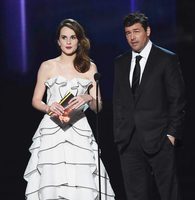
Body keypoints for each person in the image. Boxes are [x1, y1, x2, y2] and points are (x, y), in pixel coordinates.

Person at [24, 18, 115, 200]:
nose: (68, 42)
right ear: (58, 41)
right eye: (64, 37)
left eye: (72, 37)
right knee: (52, 183)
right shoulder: (47, 66)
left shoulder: (90, 67)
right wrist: (49, 107)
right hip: (52, 132)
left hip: (79, 131)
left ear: (79, 40)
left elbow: (98, 108)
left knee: (82, 184)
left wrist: (88, 97)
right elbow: (35, 100)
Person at [113, 12, 186, 200]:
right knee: (136, 195)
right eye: (128, 33)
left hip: (160, 138)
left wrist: (171, 135)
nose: (132, 37)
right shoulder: (120, 63)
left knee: (168, 193)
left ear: (148, 31)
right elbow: (119, 102)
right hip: (128, 141)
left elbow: (177, 100)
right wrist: (120, 134)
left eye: (136, 31)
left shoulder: (166, 59)